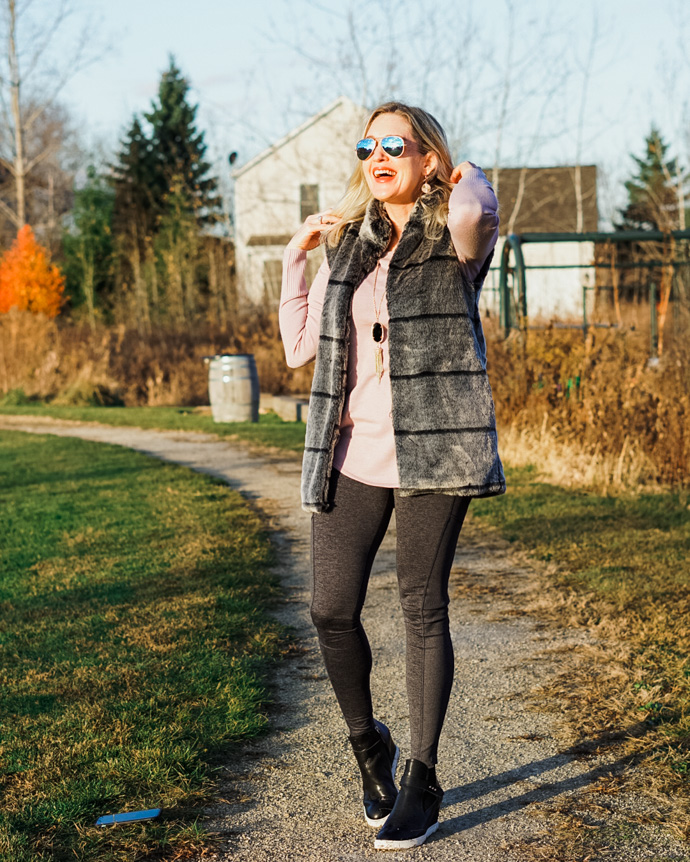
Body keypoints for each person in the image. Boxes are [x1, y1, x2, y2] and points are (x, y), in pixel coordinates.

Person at [279, 101, 505, 850]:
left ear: (427, 157)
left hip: (435, 447)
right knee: (330, 610)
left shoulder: (458, 232)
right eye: (367, 144)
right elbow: (296, 349)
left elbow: (476, 205)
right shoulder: (353, 244)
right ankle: (368, 747)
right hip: (351, 451)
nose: (377, 155)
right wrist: (296, 260)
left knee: (420, 604)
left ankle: (423, 776)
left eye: (396, 145)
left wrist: (461, 172)